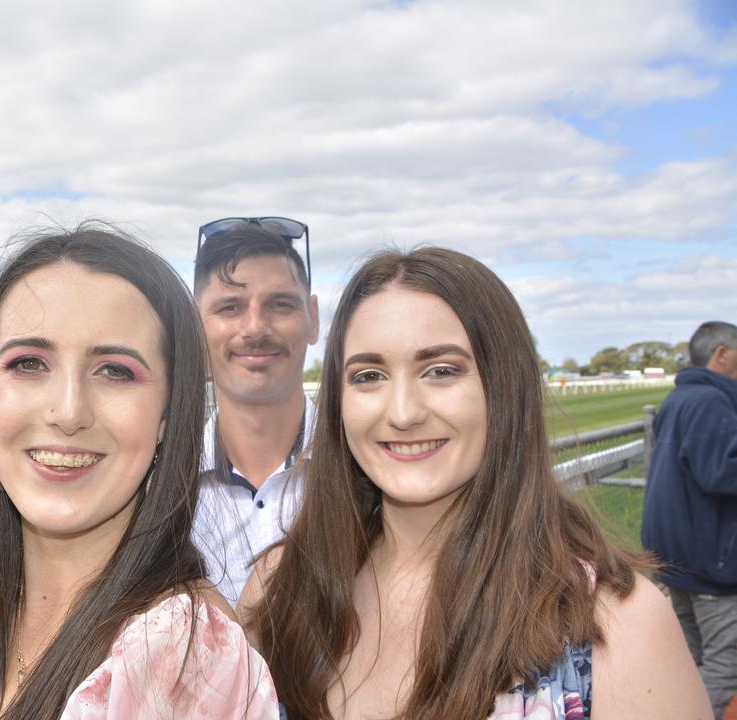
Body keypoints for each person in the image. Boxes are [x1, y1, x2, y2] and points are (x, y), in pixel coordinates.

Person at [241, 246, 708, 719]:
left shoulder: (619, 626)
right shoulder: (278, 588)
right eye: (369, 375)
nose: (402, 413)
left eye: (441, 370)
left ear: (504, 386)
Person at [0, 225, 277, 719]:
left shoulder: (185, 658)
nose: (67, 411)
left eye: (114, 371)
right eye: (28, 364)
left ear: (169, 411)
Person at [190, 217, 319, 606]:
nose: (255, 327)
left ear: (313, 317)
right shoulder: (154, 487)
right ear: (196, 327)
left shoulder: (369, 471)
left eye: (281, 304)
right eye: (230, 307)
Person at [643, 320, 737, 718]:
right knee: (725, 664)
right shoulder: (711, 401)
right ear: (720, 354)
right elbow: (720, 472)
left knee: (690, 655)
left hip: (675, 555)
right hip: (709, 559)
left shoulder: (679, 398)